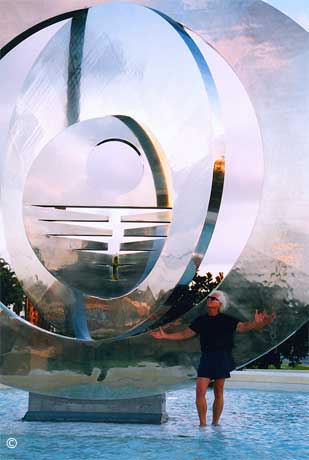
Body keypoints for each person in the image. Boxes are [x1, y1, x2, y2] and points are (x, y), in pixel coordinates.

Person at [150, 290, 276, 427]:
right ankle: (202, 425)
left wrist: (259, 323)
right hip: (207, 357)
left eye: (213, 298)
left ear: (220, 304)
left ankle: (215, 423)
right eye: (209, 298)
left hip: (222, 356)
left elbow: (245, 327)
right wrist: (166, 336)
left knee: (218, 391)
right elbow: (185, 334)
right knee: (200, 391)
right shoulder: (201, 320)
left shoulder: (227, 320)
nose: (209, 300)